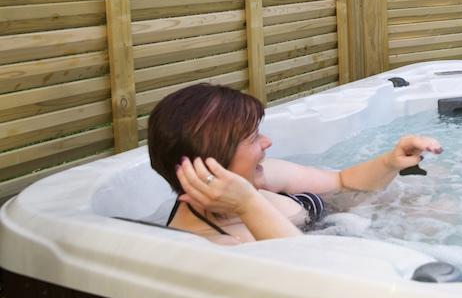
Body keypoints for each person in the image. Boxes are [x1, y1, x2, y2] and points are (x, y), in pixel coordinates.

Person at [148, 83, 442, 244]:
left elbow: (341, 182)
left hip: (350, 222)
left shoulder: (262, 175)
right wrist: (248, 204)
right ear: (212, 162)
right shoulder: (216, 244)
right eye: (252, 139)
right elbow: (311, 276)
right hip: (344, 250)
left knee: (438, 192)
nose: (266, 143)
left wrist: (390, 162)